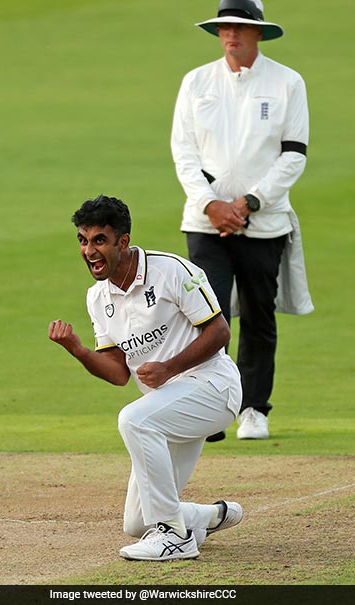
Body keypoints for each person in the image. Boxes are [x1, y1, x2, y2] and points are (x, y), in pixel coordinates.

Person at [48, 194, 244, 561]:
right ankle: (206, 516)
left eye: (99, 240)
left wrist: (170, 368)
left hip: (213, 388)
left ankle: (175, 537)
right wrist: (77, 349)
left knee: (132, 419)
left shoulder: (171, 270)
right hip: (166, 410)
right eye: (83, 240)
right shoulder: (97, 297)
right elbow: (119, 373)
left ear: (122, 242)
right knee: (138, 523)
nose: (89, 251)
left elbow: (219, 332)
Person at [171, 0, 314, 442]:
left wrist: (249, 202)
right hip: (205, 221)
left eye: (240, 27)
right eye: (224, 27)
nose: (230, 34)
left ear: (258, 32)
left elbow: (294, 155)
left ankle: (253, 408)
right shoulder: (196, 81)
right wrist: (212, 204)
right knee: (205, 313)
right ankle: (210, 410)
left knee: (257, 315)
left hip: (264, 222)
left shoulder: (287, 82)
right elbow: (184, 152)